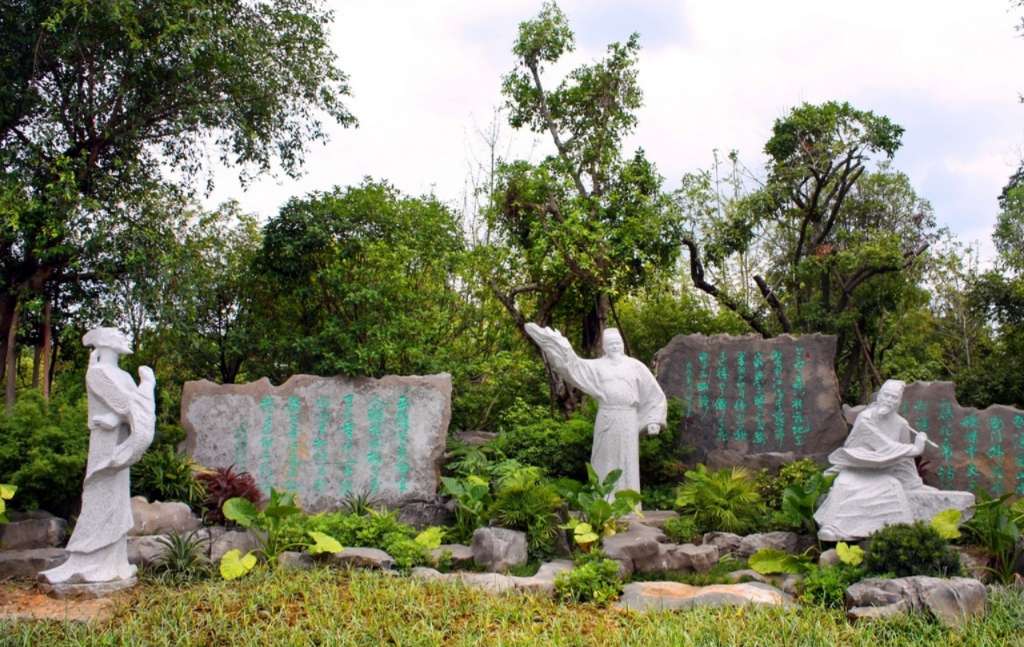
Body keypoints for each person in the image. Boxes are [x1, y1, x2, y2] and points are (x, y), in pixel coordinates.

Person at [40, 328, 155, 584]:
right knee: (100, 495)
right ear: (106, 344)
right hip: (105, 444)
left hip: (119, 442)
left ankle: (114, 563)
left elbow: (129, 410)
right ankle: (88, 560)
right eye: (117, 337)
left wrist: (123, 413)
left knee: (116, 498)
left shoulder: (122, 375)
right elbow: (128, 406)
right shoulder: (98, 373)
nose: (122, 339)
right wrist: (147, 387)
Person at [814, 379, 973, 541]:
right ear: (879, 396)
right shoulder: (866, 418)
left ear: (899, 401)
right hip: (857, 469)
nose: (889, 400)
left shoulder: (901, 424)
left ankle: (893, 531)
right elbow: (882, 444)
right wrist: (914, 449)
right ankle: (831, 527)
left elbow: (904, 461)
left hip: (881, 473)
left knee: (892, 485)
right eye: (886, 395)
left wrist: (914, 484)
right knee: (844, 483)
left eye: (893, 397)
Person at [525, 324, 666, 500]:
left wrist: (653, 420)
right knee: (604, 459)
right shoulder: (597, 366)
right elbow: (574, 367)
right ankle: (603, 503)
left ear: (622, 344)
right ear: (604, 347)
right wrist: (561, 347)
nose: (615, 347)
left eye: (618, 343)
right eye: (611, 344)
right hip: (607, 417)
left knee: (627, 461)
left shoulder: (636, 366)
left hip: (628, 418)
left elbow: (653, 393)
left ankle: (627, 504)